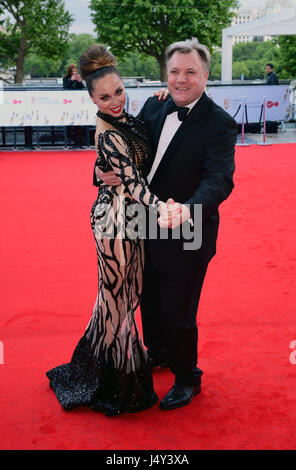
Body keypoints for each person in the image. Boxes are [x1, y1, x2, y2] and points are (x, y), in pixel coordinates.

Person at [97, 38, 237, 411]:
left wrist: (187, 211)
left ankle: (188, 377)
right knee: (149, 296)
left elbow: (219, 179)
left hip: (188, 228)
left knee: (178, 309)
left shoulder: (220, 125)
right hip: (143, 219)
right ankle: (157, 352)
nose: (181, 79)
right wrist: (107, 171)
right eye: (174, 71)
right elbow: (129, 147)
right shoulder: (153, 106)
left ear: (205, 75)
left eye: (190, 72)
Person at [46, 45, 178, 416]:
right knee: (120, 298)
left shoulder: (125, 119)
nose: (115, 101)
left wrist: (163, 97)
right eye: (105, 97)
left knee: (118, 296)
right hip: (115, 222)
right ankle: (121, 381)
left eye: (119, 92)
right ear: (91, 98)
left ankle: (91, 369)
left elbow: (130, 155)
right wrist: (162, 210)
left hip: (129, 216)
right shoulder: (107, 132)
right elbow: (134, 183)